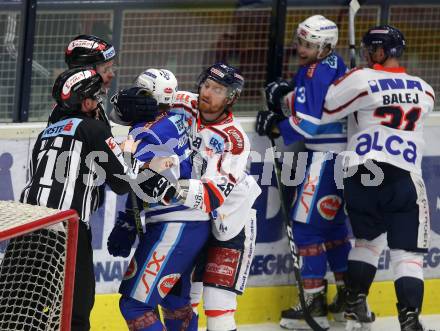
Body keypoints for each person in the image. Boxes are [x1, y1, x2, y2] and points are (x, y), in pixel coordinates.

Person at [20, 67, 160, 331]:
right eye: (97, 97)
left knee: (28, 308)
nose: (99, 103)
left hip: (28, 228)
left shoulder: (44, 135)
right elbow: (123, 183)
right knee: (77, 310)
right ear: (86, 102)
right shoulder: (94, 129)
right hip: (67, 229)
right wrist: (130, 153)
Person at [316, 25, 435, 331]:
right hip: (402, 174)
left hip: (361, 173)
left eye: (371, 50)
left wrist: (351, 78)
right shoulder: (425, 89)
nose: (368, 55)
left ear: (379, 52)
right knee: (406, 253)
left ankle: (355, 299)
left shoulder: (360, 79)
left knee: (367, 241)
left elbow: (327, 107)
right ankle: (409, 319)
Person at [255, 15, 351, 329]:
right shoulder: (337, 65)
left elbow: (307, 125)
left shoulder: (311, 71)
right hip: (344, 160)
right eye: (300, 41)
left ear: (324, 45)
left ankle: (314, 303)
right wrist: (287, 100)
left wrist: (275, 124)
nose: (301, 48)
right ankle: (347, 300)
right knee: (334, 230)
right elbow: (319, 106)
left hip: (323, 159)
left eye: (309, 44)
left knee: (306, 228)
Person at [107, 68, 212, 331]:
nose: (133, 94)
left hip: (175, 225)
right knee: (176, 304)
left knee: (134, 305)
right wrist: (130, 217)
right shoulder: (177, 117)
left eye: (140, 90)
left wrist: (128, 219)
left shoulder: (145, 133)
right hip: (191, 221)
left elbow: (132, 176)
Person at [174, 63, 260, 331]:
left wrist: (167, 188)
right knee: (185, 302)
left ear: (231, 98)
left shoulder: (234, 140)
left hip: (230, 223)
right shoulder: (187, 105)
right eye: (206, 85)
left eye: (218, 90)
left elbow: (212, 196)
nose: (207, 93)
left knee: (218, 306)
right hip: (196, 221)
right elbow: (151, 95)